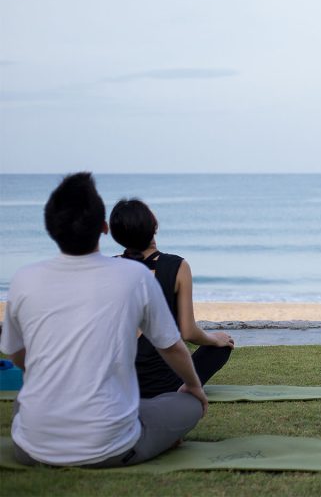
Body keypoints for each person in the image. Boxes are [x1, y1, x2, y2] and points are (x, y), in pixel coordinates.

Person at [0, 173, 207, 467]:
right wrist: (194, 387)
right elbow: (173, 347)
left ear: (49, 227)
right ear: (104, 228)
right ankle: (153, 430)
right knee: (188, 404)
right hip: (111, 447)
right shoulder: (133, 276)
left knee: (28, 398)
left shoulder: (23, 280)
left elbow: (19, 357)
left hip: (31, 449)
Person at [110, 198, 234, 398]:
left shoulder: (108, 268)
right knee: (221, 346)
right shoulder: (177, 266)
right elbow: (189, 332)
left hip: (119, 384)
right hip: (166, 386)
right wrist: (214, 339)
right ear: (153, 225)